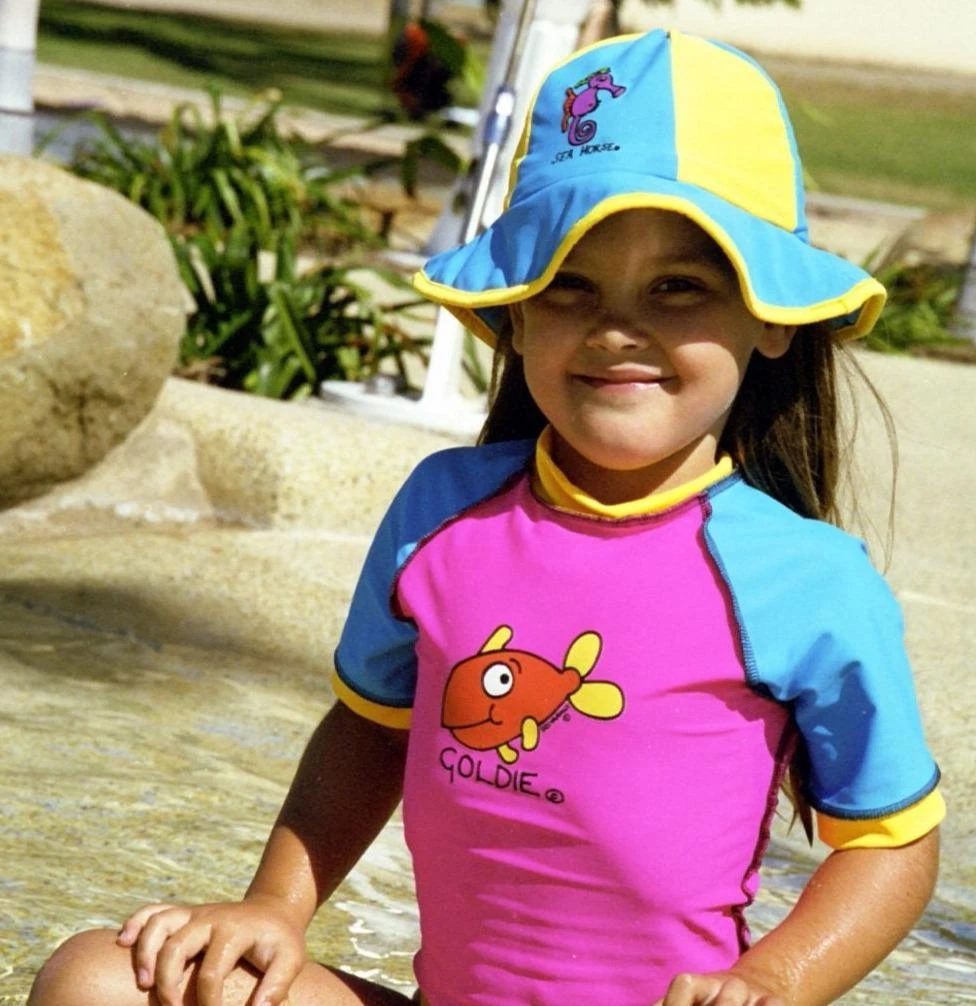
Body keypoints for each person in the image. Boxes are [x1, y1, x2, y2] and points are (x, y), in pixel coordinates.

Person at [29, 27, 944, 1006]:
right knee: (100, 978)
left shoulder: (806, 579)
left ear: (770, 317)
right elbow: (373, 728)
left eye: (678, 287)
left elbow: (890, 842)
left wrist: (771, 981)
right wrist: (274, 908)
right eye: (570, 284)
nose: (617, 329)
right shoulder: (445, 512)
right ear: (516, 311)